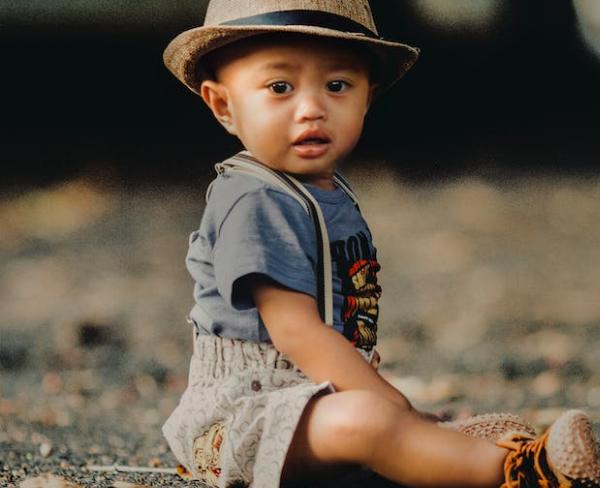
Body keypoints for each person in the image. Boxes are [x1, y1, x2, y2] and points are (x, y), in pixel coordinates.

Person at [160, 1, 600, 487]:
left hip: (316, 399)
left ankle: (448, 452)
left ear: (366, 98)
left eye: (337, 86)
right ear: (223, 105)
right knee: (368, 420)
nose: (311, 108)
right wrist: (393, 404)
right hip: (242, 420)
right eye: (280, 87)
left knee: (377, 421)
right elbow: (296, 332)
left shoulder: (328, 192)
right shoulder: (254, 198)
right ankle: (517, 471)